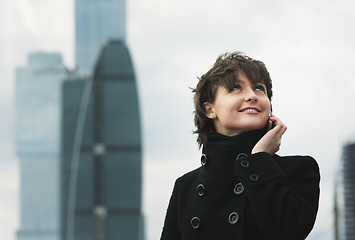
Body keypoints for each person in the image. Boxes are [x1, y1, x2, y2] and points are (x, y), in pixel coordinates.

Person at [160, 52, 320, 240]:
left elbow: (288, 232)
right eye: (236, 88)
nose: (252, 96)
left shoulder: (299, 170)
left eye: (260, 89)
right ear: (209, 109)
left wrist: (260, 159)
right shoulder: (185, 187)